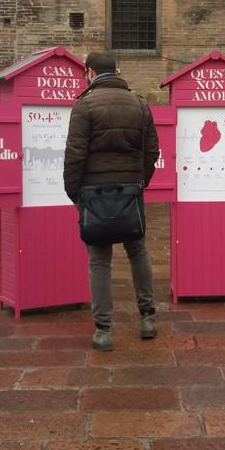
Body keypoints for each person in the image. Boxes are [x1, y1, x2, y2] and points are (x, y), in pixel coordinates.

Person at [64, 52, 160, 352]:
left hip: (94, 192)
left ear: (90, 72)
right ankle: (147, 318)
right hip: (130, 190)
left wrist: (74, 192)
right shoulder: (140, 103)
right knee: (137, 250)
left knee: (99, 261)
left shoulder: (84, 105)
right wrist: (140, 181)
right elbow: (151, 151)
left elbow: (75, 154)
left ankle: (104, 329)